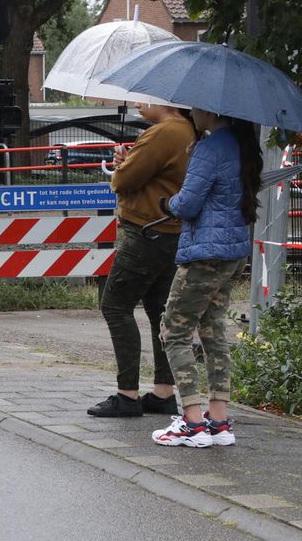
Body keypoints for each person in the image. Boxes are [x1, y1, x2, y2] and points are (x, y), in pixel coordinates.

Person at [151, 110, 262, 447]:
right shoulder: (243, 144)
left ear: (211, 111)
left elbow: (188, 204)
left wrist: (167, 203)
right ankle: (219, 419)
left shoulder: (210, 148)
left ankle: (192, 421)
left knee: (174, 331)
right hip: (233, 252)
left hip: (204, 254)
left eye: (193, 109)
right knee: (213, 331)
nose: (190, 114)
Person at [87, 103, 195, 418]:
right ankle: (163, 393)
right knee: (159, 311)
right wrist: (129, 161)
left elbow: (122, 182)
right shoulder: (188, 131)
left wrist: (123, 167)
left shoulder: (162, 133)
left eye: (144, 97)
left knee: (115, 305)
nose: (137, 103)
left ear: (164, 100)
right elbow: (154, 175)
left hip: (146, 233)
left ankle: (127, 395)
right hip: (172, 232)